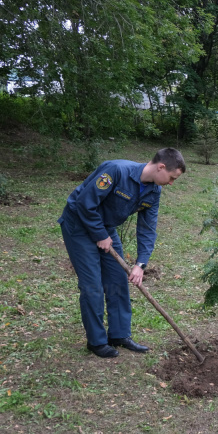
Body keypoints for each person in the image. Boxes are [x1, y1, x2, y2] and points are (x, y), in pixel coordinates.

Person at [58, 148, 186, 358]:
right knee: (92, 285)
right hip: (79, 226)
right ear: (161, 167)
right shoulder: (116, 171)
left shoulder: (154, 192)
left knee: (117, 280)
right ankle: (97, 342)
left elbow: (147, 229)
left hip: (106, 228)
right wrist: (99, 234)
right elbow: (85, 203)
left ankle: (119, 335)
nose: (171, 183)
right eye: (172, 178)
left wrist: (140, 264)